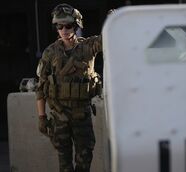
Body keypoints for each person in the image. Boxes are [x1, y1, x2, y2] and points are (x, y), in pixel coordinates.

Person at [35, 3, 102, 172]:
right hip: (60, 116)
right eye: (59, 26)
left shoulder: (88, 46)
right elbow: (41, 87)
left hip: (82, 116)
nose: (64, 29)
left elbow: (110, 39)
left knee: (84, 160)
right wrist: (42, 117)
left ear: (76, 25)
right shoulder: (50, 53)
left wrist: (115, 21)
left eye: (68, 25)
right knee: (64, 163)